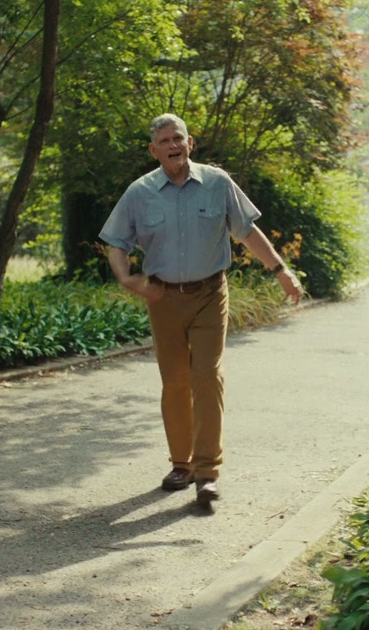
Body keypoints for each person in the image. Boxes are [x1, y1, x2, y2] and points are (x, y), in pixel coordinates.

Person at [99, 113, 303, 508]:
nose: (173, 145)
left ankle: (207, 473)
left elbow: (246, 231)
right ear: (153, 150)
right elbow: (116, 243)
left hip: (210, 292)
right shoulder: (139, 192)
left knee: (207, 376)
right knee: (175, 381)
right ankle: (182, 464)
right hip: (162, 297)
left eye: (178, 138)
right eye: (165, 141)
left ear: (190, 143)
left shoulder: (217, 183)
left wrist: (281, 270)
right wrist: (126, 278)